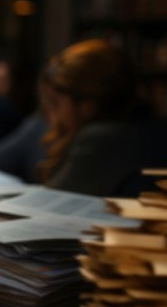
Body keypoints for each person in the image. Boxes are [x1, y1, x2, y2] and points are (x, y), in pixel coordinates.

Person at [39, 39, 143, 196]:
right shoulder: (142, 131)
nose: (51, 115)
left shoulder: (99, 140)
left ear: (87, 106)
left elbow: (48, 202)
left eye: (56, 103)